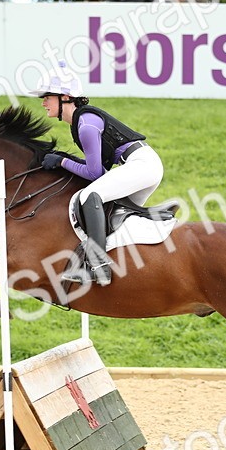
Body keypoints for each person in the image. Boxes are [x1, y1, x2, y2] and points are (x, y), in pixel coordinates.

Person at [32, 64, 163, 286]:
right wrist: (65, 162)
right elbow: (99, 169)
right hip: (142, 166)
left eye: (47, 97)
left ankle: (99, 266)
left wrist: (62, 161)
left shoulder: (85, 125)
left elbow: (95, 174)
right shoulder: (81, 122)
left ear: (65, 97)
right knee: (110, 216)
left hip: (141, 165)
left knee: (89, 196)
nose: (43, 102)